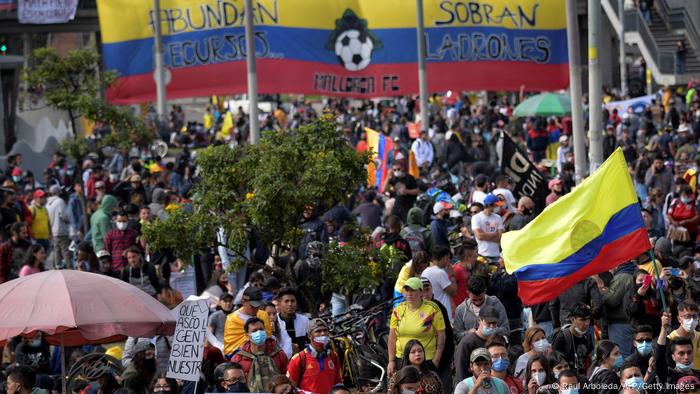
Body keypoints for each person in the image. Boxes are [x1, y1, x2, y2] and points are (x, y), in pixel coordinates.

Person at [388, 277, 446, 377]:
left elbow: (441, 334)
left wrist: (436, 359)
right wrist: (391, 360)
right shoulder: (398, 310)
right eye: (407, 290)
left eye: (413, 290)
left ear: (421, 292)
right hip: (402, 359)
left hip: (425, 360)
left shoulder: (432, 308)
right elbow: (392, 337)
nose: (409, 293)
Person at [231, 317, 289, 392]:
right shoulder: (238, 358)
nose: (259, 333)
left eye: (261, 329)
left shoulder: (279, 354)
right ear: (247, 335)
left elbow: (287, 377)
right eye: (254, 331)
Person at [286, 318, 343, 394]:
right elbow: (291, 388)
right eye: (318, 331)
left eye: (325, 330)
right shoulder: (298, 359)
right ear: (309, 336)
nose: (323, 333)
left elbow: (338, 383)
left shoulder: (333, 356)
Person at [454, 306, 503, 383]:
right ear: (479, 320)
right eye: (488, 323)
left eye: (494, 323)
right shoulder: (467, 343)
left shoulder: (498, 340)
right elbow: (461, 372)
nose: (491, 326)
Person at [454, 276, 509, 342]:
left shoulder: (496, 304)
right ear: (468, 293)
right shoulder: (461, 309)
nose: (478, 302)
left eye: (481, 299)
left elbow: (506, 329)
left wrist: (492, 330)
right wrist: (468, 333)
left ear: (485, 291)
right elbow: (457, 335)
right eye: (474, 300)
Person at [655, 311, 700, 388]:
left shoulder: (698, 375)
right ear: (673, 357)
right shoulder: (667, 376)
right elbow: (659, 357)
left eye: (689, 352)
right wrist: (664, 328)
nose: (686, 357)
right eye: (681, 353)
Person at [224, 287, 272, 357]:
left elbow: (268, 338)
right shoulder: (232, 319)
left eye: (259, 305)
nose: (256, 309)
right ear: (243, 302)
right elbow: (230, 349)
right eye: (253, 306)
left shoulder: (263, 315)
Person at [551, 303, 593, 376]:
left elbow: (589, 359)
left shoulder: (588, 336)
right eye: (582, 320)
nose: (586, 323)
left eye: (588, 319)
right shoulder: (562, 337)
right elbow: (554, 360)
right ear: (573, 319)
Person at [421, 246, 456, 321]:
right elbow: (454, 291)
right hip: (442, 313)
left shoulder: (425, 272)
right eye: (448, 258)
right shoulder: (440, 273)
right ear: (444, 257)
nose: (449, 261)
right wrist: (452, 275)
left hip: (430, 312)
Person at [471, 194, 504, 262]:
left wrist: (485, 236)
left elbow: (501, 237)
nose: (498, 207)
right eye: (496, 205)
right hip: (482, 255)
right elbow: (479, 236)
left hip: (496, 255)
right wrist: (495, 234)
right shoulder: (476, 218)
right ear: (490, 205)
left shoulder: (498, 218)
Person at [667, 300, 700, 367]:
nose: (691, 320)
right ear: (679, 319)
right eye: (687, 316)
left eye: (694, 316)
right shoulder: (670, 339)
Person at [277, 287, 309, 354]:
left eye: (292, 301)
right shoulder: (275, 321)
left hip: (301, 359)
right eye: (286, 301)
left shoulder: (304, 320)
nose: (290, 304)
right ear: (280, 303)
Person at [46, 184, 70, 269]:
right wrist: (68, 221)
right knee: (65, 251)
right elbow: (64, 216)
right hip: (61, 229)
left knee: (56, 251)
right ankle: (69, 269)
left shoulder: (47, 203)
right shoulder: (60, 201)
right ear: (58, 192)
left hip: (52, 231)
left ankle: (57, 268)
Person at [452, 240, 476, 307]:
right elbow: (449, 290)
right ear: (468, 257)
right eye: (474, 257)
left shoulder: (466, 270)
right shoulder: (456, 269)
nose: (476, 260)